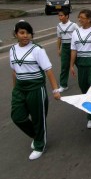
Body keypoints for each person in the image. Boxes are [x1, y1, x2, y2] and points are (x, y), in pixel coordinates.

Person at [10, 21, 61, 160]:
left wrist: (55, 90)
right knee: (17, 117)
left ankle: (40, 145)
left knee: (38, 119)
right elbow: (14, 71)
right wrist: (15, 89)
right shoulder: (12, 50)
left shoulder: (37, 50)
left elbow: (48, 71)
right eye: (22, 33)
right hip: (20, 88)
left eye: (28, 33)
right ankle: (38, 136)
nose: (25, 36)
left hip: (36, 88)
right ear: (16, 34)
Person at [70, 9, 91, 129]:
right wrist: (71, 65)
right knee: (83, 87)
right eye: (79, 17)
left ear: (89, 19)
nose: (79, 19)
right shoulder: (75, 33)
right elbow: (73, 50)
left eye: (82, 17)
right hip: (81, 64)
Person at [56, 9, 78, 93]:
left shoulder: (73, 25)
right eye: (59, 15)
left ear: (67, 16)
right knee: (64, 66)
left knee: (80, 64)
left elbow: (79, 35)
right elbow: (59, 38)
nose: (60, 17)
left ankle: (89, 81)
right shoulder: (58, 26)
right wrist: (59, 49)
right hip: (65, 47)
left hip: (74, 47)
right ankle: (63, 85)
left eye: (61, 15)